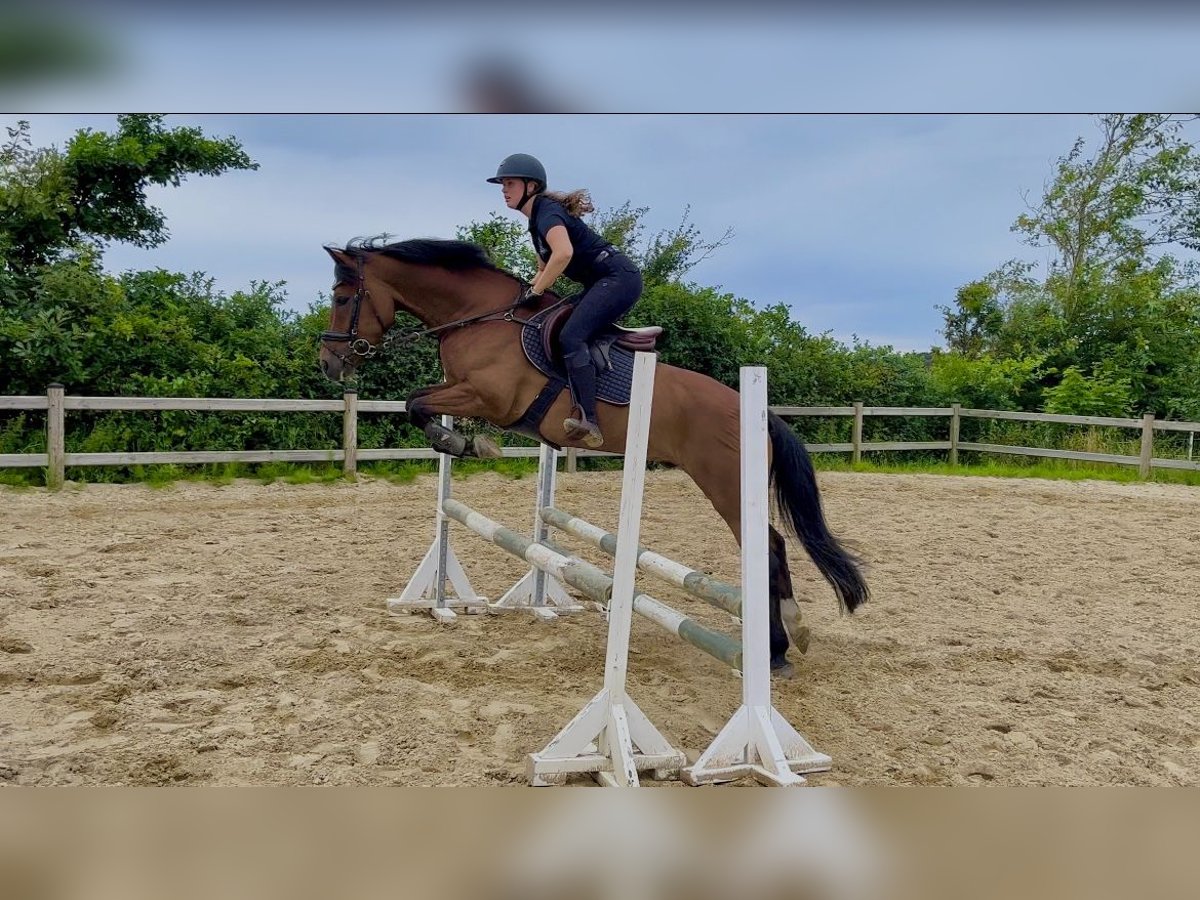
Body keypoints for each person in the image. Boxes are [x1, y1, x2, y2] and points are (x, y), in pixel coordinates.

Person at [487, 153, 643, 449]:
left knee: (571, 335)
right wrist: (523, 297)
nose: (504, 190)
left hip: (618, 278)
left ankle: (589, 419)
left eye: (509, 183)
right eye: (502, 185)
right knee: (549, 322)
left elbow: (563, 254)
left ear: (531, 186)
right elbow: (543, 270)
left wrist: (536, 292)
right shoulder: (536, 224)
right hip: (602, 282)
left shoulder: (547, 212)